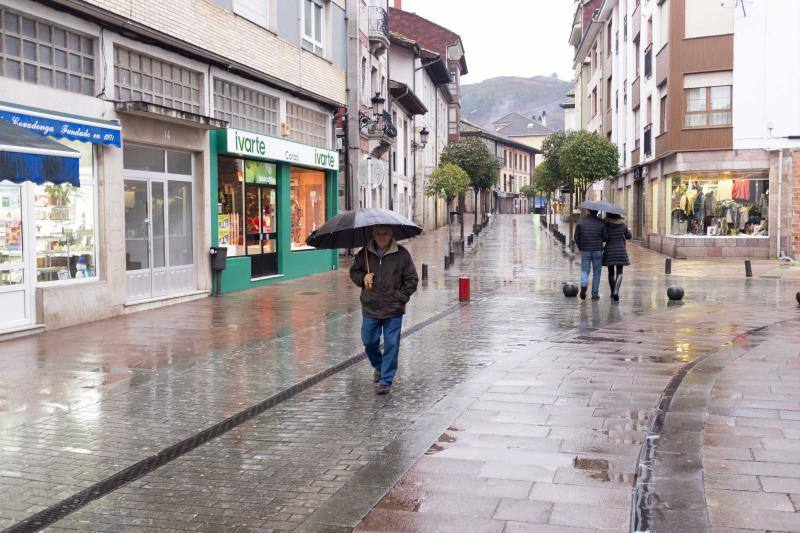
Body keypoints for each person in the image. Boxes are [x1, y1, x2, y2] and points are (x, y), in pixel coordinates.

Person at [350, 225, 419, 394]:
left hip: (393, 310)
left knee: (391, 344)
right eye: (378, 233)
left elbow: (412, 279)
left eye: (385, 234)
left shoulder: (401, 254)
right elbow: (354, 272)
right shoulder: (364, 254)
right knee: (369, 341)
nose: (381, 237)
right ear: (373, 235)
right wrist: (363, 277)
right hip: (370, 307)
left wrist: (400, 297)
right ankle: (379, 366)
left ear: (391, 235)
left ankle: (386, 380)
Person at [573, 210, 608, 300]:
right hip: (597, 250)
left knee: (585, 270)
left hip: (585, 249)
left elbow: (576, 237)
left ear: (588, 211)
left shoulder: (581, 222)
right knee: (597, 272)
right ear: (597, 212)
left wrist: (581, 247)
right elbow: (605, 237)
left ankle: (584, 284)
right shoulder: (601, 222)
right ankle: (594, 294)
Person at [603, 213, 632, 302]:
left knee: (610, 272)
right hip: (620, 250)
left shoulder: (606, 224)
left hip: (609, 250)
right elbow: (629, 236)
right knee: (620, 272)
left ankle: (612, 292)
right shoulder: (622, 225)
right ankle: (616, 291)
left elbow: (604, 238)